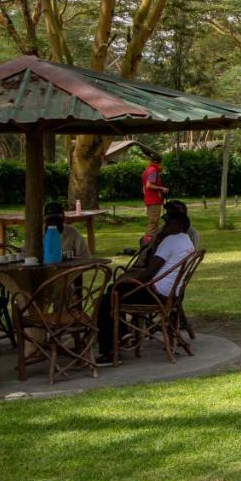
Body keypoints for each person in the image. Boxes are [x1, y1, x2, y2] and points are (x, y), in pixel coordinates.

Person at [97, 213, 196, 362]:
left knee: (109, 295)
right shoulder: (187, 240)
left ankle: (109, 350)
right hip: (173, 295)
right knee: (115, 290)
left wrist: (129, 279)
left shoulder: (169, 241)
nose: (165, 227)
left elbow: (149, 272)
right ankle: (122, 334)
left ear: (180, 225)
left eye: (169, 223)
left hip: (155, 295)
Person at [141, 150, 168, 245]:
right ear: (159, 162)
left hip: (149, 199)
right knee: (153, 222)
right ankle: (148, 243)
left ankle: (151, 241)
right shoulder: (153, 171)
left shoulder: (147, 170)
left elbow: (144, 187)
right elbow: (149, 185)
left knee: (153, 222)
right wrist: (162, 188)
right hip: (154, 200)